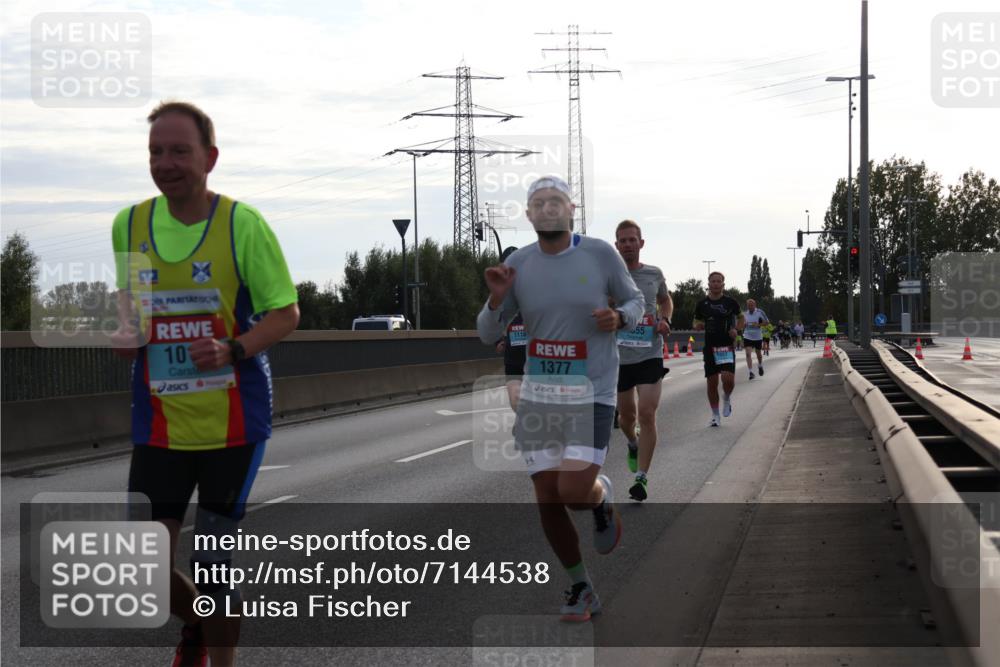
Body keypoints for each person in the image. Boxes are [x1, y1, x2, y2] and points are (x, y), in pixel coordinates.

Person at [110, 101, 299, 667]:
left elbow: (285, 313)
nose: (165, 163)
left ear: (209, 158)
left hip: (234, 424)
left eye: (178, 151)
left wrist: (232, 347)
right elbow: (132, 308)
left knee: (214, 566)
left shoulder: (242, 224)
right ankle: (197, 625)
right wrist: (127, 331)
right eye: (155, 152)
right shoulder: (130, 223)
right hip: (161, 422)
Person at [477, 175, 644, 622]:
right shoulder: (519, 264)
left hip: (592, 391)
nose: (548, 208)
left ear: (572, 210)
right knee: (547, 497)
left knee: (572, 491)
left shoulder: (600, 254)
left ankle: (598, 498)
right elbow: (487, 333)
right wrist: (496, 300)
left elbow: (636, 302)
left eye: (556, 201)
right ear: (529, 215)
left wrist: (618, 316)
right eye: (538, 203)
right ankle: (581, 587)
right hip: (540, 395)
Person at [612, 220, 672, 502]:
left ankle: (641, 479)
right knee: (627, 418)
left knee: (647, 413)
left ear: (641, 243)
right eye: (622, 240)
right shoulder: (608, 276)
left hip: (650, 352)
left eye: (631, 240)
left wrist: (665, 319)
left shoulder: (653, 273)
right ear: (616, 245)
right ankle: (633, 443)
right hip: (620, 358)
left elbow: (666, 300)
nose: (627, 244)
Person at [692, 272, 744, 427]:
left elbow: (741, 318)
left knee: (728, 380)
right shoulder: (702, 304)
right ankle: (715, 415)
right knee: (712, 382)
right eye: (713, 281)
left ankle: (726, 397)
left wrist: (737, 330)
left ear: (723, 284)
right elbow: (695, 320)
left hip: (725, 346)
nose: (715, 284)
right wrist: (697, 326)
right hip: (710, 347)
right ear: (708, 284)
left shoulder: (730, 302)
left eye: (718, 281)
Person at [495, 248, 526, 411]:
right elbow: (494, 322)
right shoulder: (500, 296)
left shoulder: (533, 292)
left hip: (533, 361)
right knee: (515, 403)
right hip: (513, 360)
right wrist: (498, 341)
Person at [742, 299, 768, 380]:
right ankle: (751, 372)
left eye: (751, 305)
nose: (750, 307)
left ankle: (760, 365)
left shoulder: (760, 312)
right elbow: (742, 324)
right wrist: (744, 325)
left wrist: (758, 324)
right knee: (748, 354)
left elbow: (767, 322)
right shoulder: (744, 314)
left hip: (757, 337)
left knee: (758, 354)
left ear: (755, 305)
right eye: (748, 305)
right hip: (747, 336)